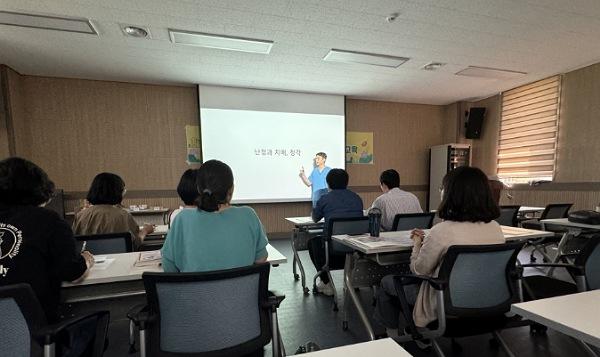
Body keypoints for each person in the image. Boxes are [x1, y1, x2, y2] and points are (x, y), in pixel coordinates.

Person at [374, 166, 503, 333]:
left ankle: (398, 337)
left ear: (450, 194)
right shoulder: (495, 227)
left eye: (442, 188)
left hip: (443, 302)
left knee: (387, 282)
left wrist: (417, 243)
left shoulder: (443, 230)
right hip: (486, 298)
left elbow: (419, 270)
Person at [0, 157, 94, 322]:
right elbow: (72, 273)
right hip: (35, 335)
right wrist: (86, 259)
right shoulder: (48, 221)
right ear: (39, 189)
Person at [161, 160, 268, 272]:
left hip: (196, 290)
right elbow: (261, 259)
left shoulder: (182, 219)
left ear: (198, 189)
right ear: (231, 189)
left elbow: (169, 267)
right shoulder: (248, 215)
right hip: (242, 290)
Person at [308, 168, 363, 296]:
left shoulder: (325, 198)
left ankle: (326, 283)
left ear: (328, 184)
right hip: (356, 249)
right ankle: (351, 277)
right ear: (346, 183)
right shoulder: (357, 198)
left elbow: (315, 218)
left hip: (332, 251)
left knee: (313, 242)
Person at [72, 172, 154, 248]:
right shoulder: (123, 216)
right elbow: (134, 244)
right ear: (118, 192)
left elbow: (74, 243)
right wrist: (145, 230)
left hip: (89, 261)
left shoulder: (80, 216)